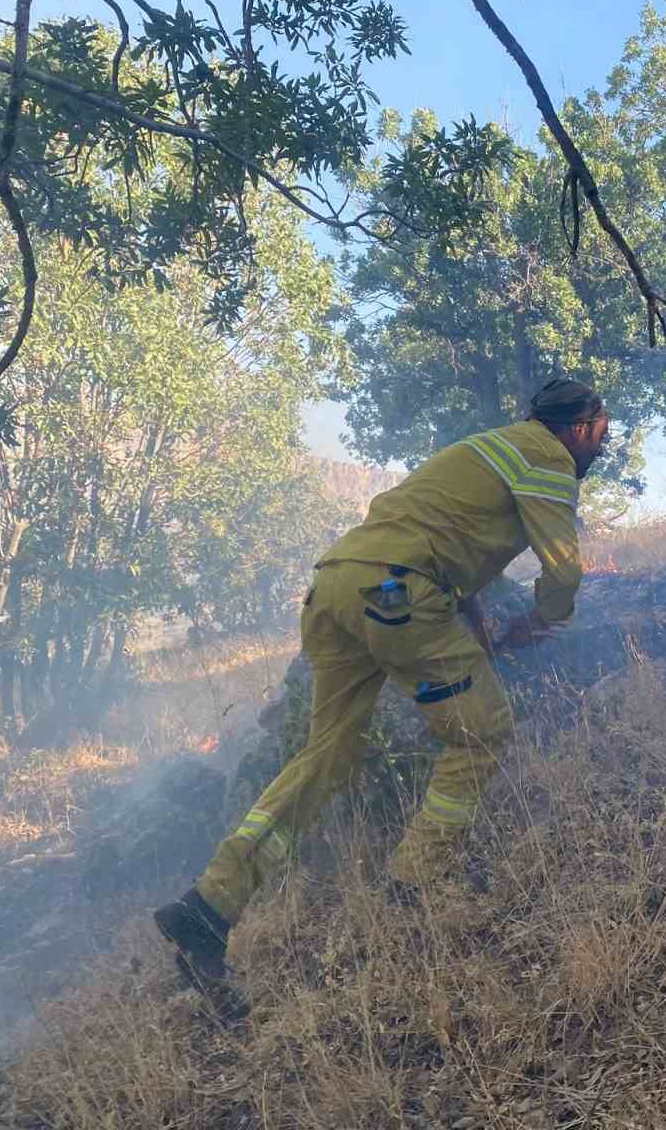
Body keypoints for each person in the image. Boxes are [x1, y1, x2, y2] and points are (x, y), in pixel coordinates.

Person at [153, 378, 610, 992]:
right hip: (397, 594)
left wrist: (472, 617)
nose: (601, 446)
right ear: (579, 427)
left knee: (327, 757)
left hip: (335, 585)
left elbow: (441, 535)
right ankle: (415, 883)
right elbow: (564, 569)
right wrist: (542, 619)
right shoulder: (549, 457)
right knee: (480, 732)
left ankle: (209, 906)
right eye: (601, 433)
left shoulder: (488, 447)